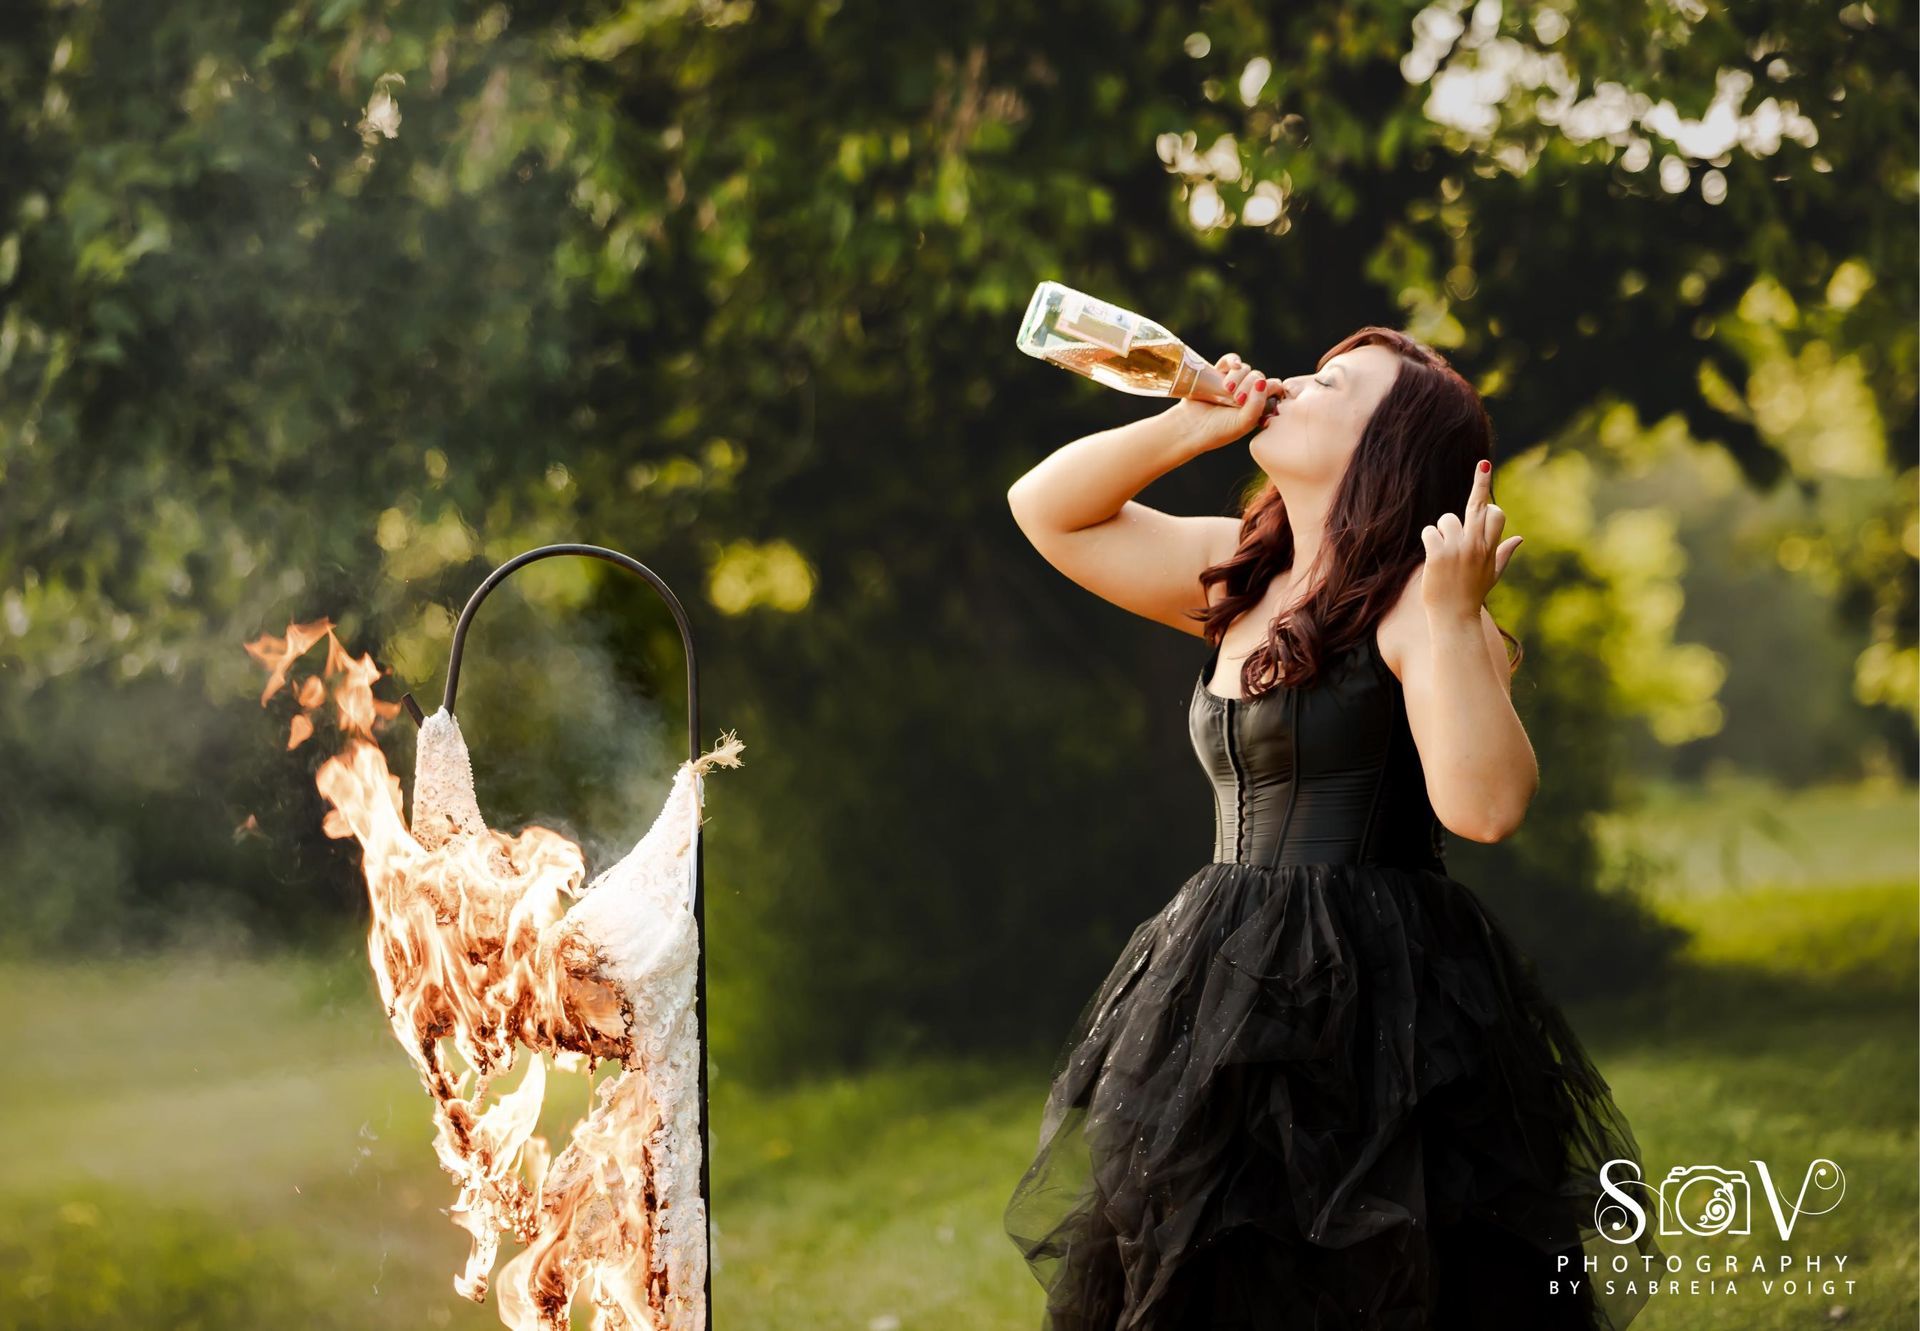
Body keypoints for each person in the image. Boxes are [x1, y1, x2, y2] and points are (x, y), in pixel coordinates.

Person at [1000, 329, 1662, 1329]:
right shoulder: (1241, 571)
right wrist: (1189, 422)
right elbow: (1045, 507)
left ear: (1381, 451)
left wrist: (1451, 619)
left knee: (1387, 1275)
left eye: (1331, 385)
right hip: (1222, 970)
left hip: (1379, 992)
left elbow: (1485, 806)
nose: (1291, 384)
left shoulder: (1420, 605)